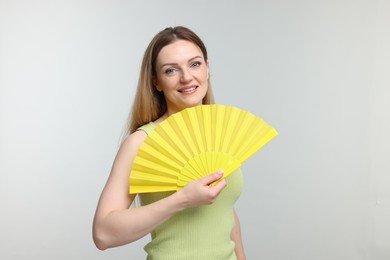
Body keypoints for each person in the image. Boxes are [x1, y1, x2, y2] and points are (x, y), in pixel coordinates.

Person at [92, 26, 246, 260]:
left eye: (195, 64)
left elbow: (226, 213)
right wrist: (182, 200)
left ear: (207, 68)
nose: (186, 77)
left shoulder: (221, 134)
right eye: (171, 70)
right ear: (156, 82)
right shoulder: (142, 142)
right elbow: (103, 234)